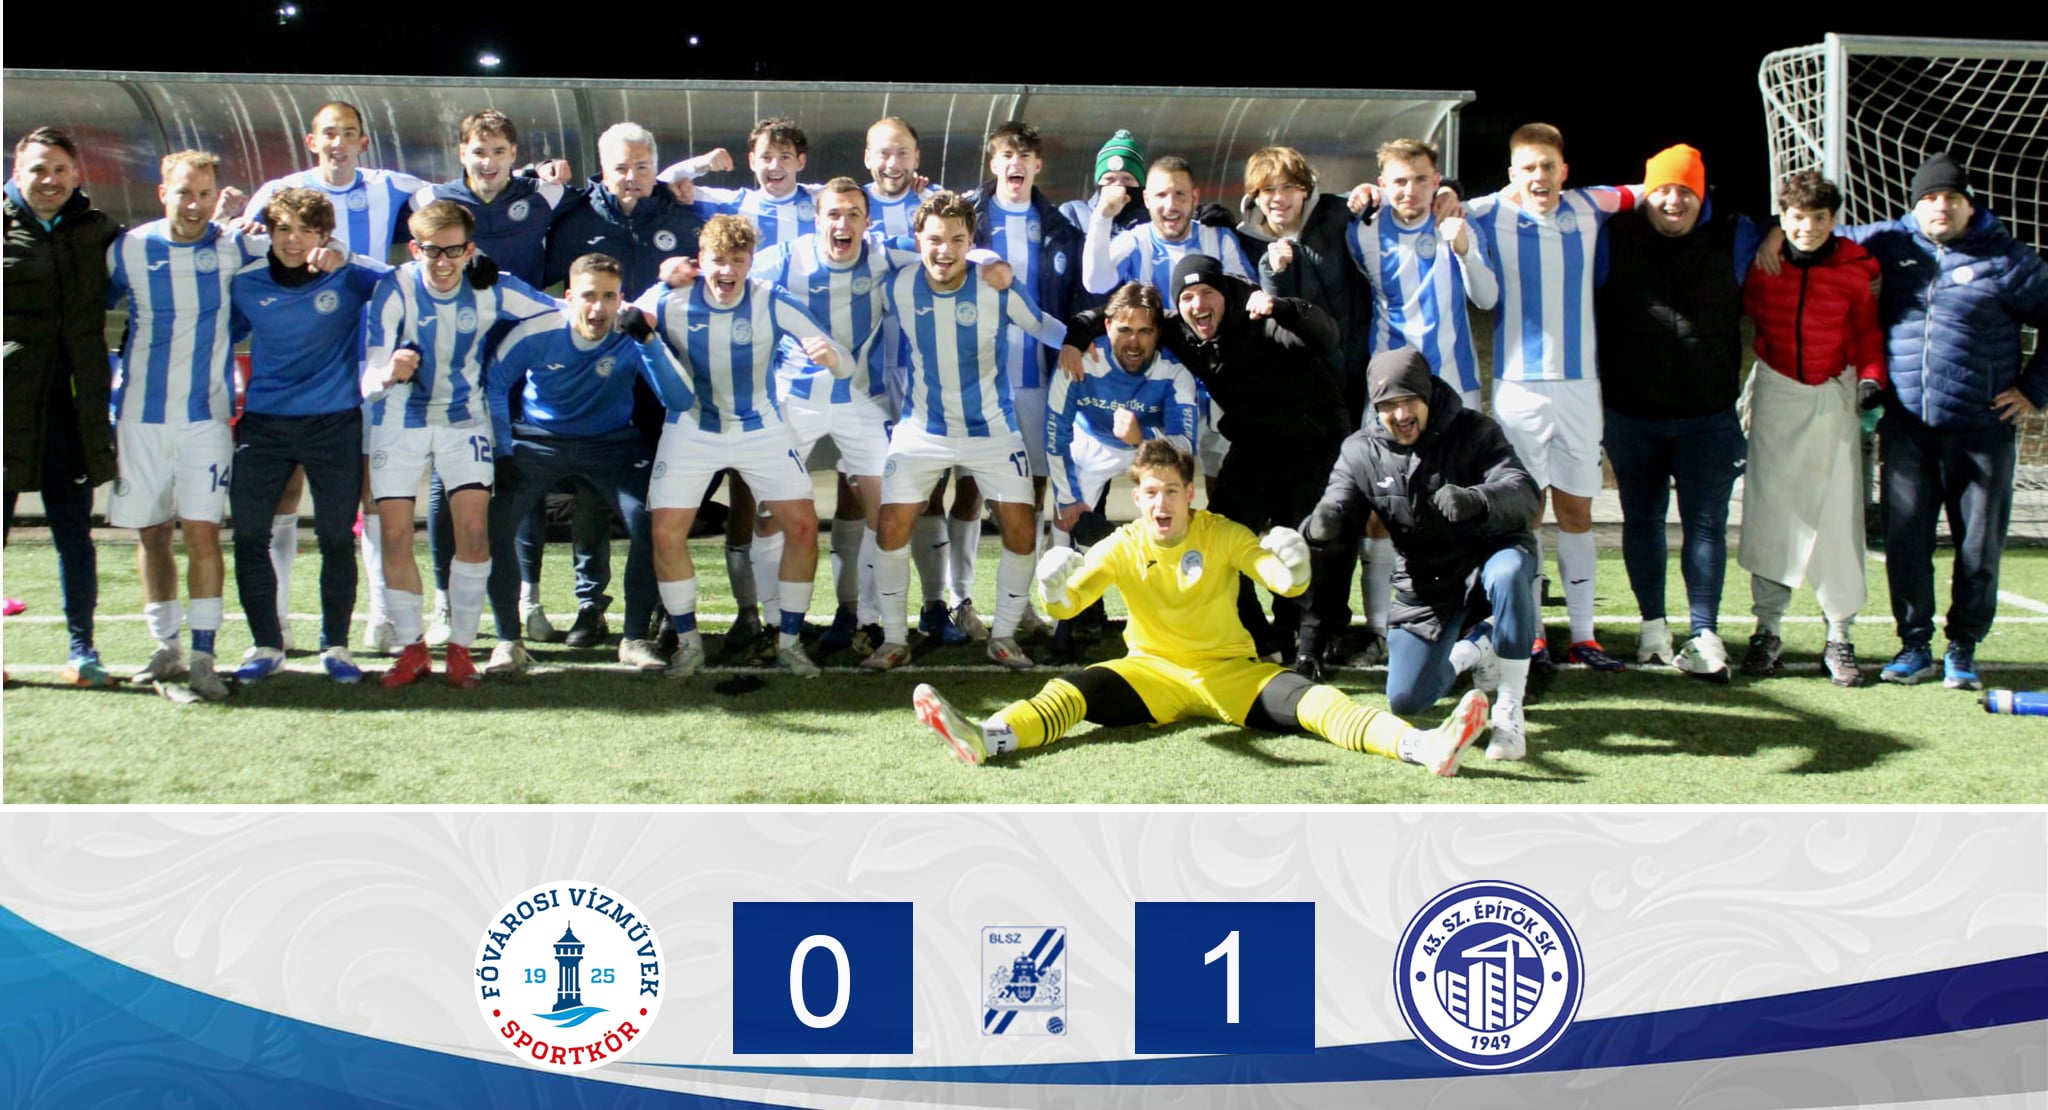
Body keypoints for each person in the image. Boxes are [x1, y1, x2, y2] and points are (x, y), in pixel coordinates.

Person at [911, 439, 1489, 776]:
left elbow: (1281, 583)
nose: (1161, 503)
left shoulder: (1221, 533)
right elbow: (1066, 605)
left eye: (1172, 491)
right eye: (1150, 492)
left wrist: (1294, 568)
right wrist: (1052, 586)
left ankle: (1424, 746)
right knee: (1069, 692)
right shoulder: (1121, 544)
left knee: (1320, 703)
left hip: (1230, 674)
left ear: (1190, 494)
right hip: (1150, 674)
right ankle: (989, 736)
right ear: (1137, 497)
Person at [1067, 253, 1349, 667]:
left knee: (1310, 543)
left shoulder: (1260, 316)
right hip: (1255, 446)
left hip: (1314, 444)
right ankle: (1260, 638)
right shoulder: (1179, 329)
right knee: (1217, 537)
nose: (1197, 304)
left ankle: (1311, 646)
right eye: (1187, 296)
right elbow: (1114, 314)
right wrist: (1075, 340)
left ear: (1224, 295)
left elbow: (1327, 335)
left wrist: (1282, 307)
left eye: (1207, 293)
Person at [1844, 153, 2048, 690]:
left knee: (1978, 546)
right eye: (1930, 198)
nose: (1941, 206)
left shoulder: (2007, 260)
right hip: (1907, 426)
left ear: (1969, 205)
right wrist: (1775, 235)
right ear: (1915, 205)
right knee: (1906, 542)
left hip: (1982, 430)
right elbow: (1817, 236)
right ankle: (1914, 645)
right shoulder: (1889, 243)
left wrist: (2033, 390)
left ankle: (1963, 646)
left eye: (1951, 197)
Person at [241, 100, 434, 656]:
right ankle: (277, 621)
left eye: (349, 133)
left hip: (369, 357)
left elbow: (445, 199)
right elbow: (245, 245)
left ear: (363, 142)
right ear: (312, 140)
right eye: (329, 133)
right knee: (286, 493)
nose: (339, 142)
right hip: (304, 362)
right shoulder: (279, 190)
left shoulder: (388, 184)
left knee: (371, 490)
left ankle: (380, 616)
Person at [420, 108, 607, 652]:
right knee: (446, 483)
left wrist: (684, 179)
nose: (488, 162)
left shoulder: (541, 193)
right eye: (479, 151)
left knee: (521, 480)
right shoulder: (435, 199)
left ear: (514, 154)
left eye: (499, 152)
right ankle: (444, 602)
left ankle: (529, 601)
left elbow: (607, 192)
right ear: (462, 153)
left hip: (524, 357)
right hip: (457, 359)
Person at [635, 214, 849, 678]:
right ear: (700, 261)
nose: (727, 270)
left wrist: (832, 358)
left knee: (803, 527)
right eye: (718, 260)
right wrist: (656, 283)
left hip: (760, 430)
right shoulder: (671, 299)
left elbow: (843, 361)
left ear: (751, 262)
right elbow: (626, 318)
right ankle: (689, 644)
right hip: (691, 429)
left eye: (738, 260)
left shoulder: (770, 298)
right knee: (665, 533)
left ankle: (789, 642)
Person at [863, 191, 1067, 671]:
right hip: (922, 430)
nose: (945, 250)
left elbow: (1047, 328)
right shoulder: (897, 285)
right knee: (890, 527)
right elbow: (867, 254)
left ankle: (1003, 636)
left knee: (1021, 528)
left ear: (971, 242)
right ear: (919, 239)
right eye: (935, 239)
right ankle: (894, 639)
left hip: (992, 430)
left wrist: (1086, 344)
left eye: (958, 240)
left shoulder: (996, 285)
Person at [1302, 350, 1541, 760]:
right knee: (1407, 700)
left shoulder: (1475, 430)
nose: (1400, 414)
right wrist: (1320, 526)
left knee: (1509, 572)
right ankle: (1475, 649)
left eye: (1409, 400)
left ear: (1427, 395)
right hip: (1428, 580)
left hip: (1490, 552)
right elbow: (1337, 503)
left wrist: (1477, 499)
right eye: (1388, 405)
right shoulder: (1360, 450)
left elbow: (1524, 491)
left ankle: (1508, 709)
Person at [1464, 123, 1639, 673]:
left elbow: (1656, 188)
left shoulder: (1589, 205)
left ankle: (1584, 637)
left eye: (1548, 166)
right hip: (1519, 387)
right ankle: (1535, 633)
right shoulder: (1488, 212)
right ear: (1512, 174)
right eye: (1528, 168)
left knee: (1578, 509)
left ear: (1565, 171)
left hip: (1581, 386)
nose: (1539, 176)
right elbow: (1431, 202)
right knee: (1528, 511)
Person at [361, 200, 557, 689]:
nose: (443, 262)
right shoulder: (393, 288)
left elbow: (560, 311)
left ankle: (461, 650)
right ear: (415, 249)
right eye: (432, 251)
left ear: (470, 250)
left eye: (454, 250)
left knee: (473, 533)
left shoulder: (492, 286)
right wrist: (388, 372)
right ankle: (412, 650)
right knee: (395, 536)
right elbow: (370, 374)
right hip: (398, 422)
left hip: (462, 420)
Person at [481, 253, 696, 675]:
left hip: (612, 442)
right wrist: (502, 449)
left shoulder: (630, 331)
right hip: (540, 440)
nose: (599, 308)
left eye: (609, 297)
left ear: (621, 299)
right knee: (495, 526)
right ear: (568, 297)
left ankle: (634, 638)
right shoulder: (538, 330)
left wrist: (648, 342)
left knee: (655, 526)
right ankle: (508, 641)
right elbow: (494, 381)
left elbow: (680, 398)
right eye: (589, 296)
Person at [1594, 144, 1759, 681]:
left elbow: (1808, 236)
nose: (1673, 200)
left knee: (1705, 524)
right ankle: (1652, 628)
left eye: (1685, 191)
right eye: (1662, 189)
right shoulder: (1612, 235)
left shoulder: (1736, 234)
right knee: (1641, 520)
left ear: (1702, 194)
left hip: (1707, 413)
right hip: (1632, 412)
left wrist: (1779, 230)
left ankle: (1705, 631)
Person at [106, 150, 267, 700]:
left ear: (215, 196)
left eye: (203, 194)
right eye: (184, 193)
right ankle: (166, 645)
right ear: (163, 193)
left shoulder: (234, 246)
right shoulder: (129, 248)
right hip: (140, 418)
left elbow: (296, 254)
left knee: (202, 535)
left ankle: (203, 656)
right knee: (152, 533)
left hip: (206, 419)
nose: (194, 204)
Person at [1346, 138, 1499, 665]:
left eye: (1420, 180)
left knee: (1461, 505)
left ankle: (1467, 625)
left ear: (1437, 182)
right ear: (1382, 185)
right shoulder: (1363, 231)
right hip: (1388, 394)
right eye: (1397, 181)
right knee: (1379, 510)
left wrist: (1465, 248)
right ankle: (1380, 632)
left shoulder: (1457, 221)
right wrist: (1359, 194)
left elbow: (1486, 298)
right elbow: (1323, 205)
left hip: (1455, 388)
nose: (1409, 190)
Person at [226, 188, 389, 684]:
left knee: (336, 536)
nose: (293, 240)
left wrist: (347, 256)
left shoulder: (347, 277)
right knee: (249, 534)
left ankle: (335, 646)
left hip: (333, 423)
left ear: (324, 234)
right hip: (264, 424)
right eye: (283, 230)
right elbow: (221, 333)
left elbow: (402, 281)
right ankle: (266, 644)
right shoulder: (246, 283)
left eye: (305, 231)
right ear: (270, 233)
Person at [1738, 171, 1884, 687]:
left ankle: (1839, 635)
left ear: (1834, 219)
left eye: (1819, 217)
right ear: (1782, 217)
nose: (1808, 228)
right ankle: (1768, 630)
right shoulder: (1761, 261)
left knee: (1837, 517)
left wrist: (1871, 378)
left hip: (1832, 391)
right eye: (1797, 218)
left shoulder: (1857, 266)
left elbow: (1867, 330)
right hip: (1777, 389)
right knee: (1771, 514)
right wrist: (1767, 235)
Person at [3, 127, 120, 686]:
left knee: (75, 534)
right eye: (37, 169)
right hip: (7, 409)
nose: (48, 180)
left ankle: (83, 652)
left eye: (59, 170)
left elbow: (163, 251)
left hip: (72, 413)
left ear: (76, 174)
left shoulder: (100, 232)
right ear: (16, 173)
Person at [1043, 281, 1199, 660]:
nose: (1133, 342)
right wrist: (1068, 500)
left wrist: (1141, 437)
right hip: (1090, 443)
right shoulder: (1081, 360)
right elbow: (1056, 436)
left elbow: (1185, 447)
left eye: (1145, 331)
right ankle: (1065, 621)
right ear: (1107, 326)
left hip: (1149, 449)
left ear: (1158, 333)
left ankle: (1175, 614)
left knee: (1174, 509)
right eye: (1125, 329)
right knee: (1064, 521)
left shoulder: (1175, 370)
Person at [1082, 155, 1255, 299]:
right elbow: (1096, 284)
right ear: (1147, 199)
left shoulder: (1220, 239)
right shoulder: (1134, 241)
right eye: (1161, 195)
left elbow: (1247, 293)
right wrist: (1102, 218)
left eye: (1179, 194)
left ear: (1195, 198)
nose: (1171, 205)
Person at [1059, 130, 1150, 311]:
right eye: (1109, 179)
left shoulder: (1149, 220)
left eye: (1127, 179)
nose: (1118, 186)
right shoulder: (1074, 213)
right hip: (1085, 320)